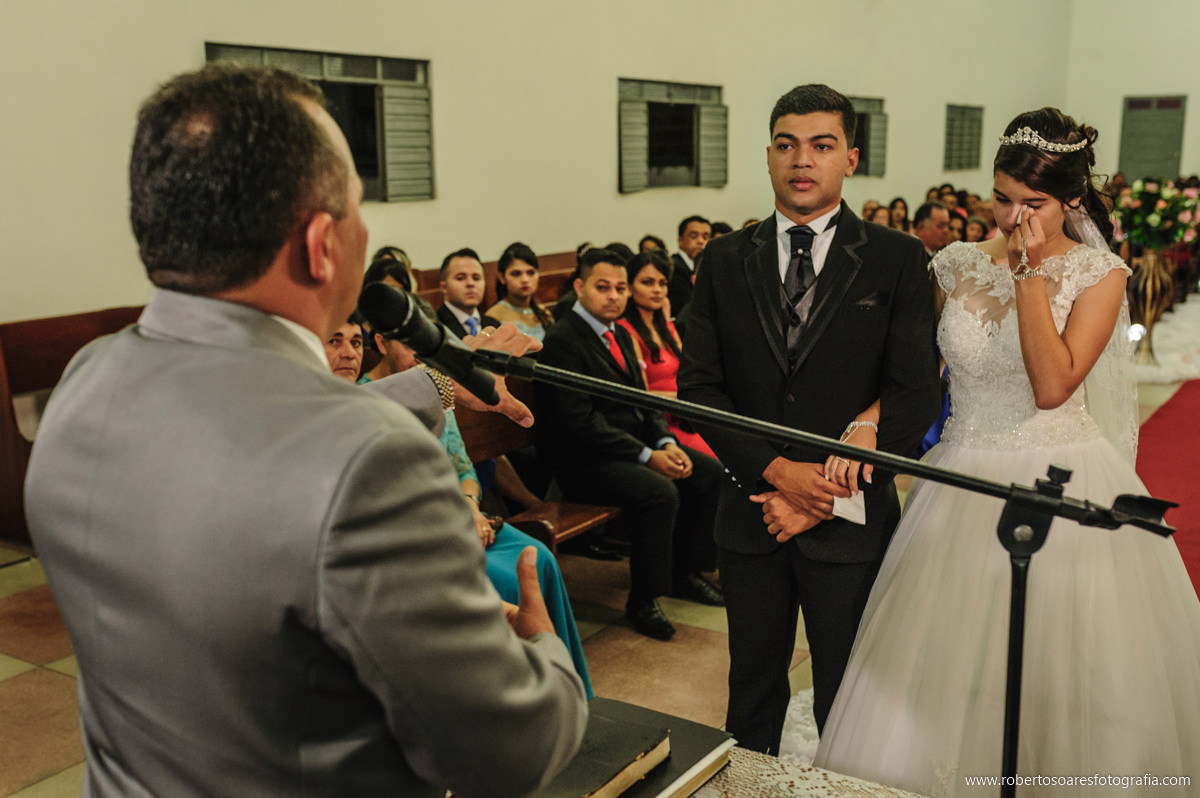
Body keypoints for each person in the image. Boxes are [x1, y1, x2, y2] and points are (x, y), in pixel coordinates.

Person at [23, 64, 586, 797]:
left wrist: (444, 380)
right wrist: (544, 651)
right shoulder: (368, 461)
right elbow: (513, 750)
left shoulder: (83, 384)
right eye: (359, 208)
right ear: (322, 243)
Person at [815, 108, 1200, 796]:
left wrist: (1027, 275)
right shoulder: (956, 262)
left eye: (1034, 203)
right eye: (1001, 198)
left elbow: (1053, 385)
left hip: (1057, 475)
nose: (1012, 216)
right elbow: (920, 372)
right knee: (950, 654)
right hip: (961, 473)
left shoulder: (1098, 273)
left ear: (1072, 201)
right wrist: (871, 420)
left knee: (1059, 658)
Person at [677, 83, 941, 752]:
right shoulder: (725, 260)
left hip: (850, 522)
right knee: (752, 690)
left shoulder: (896, 258)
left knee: (848, 694)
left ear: (850, 158)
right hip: (751, 512)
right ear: (768, 156)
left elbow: (914, 393)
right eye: (787, 144)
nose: (803, 160)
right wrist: (775, 471)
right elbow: (699, 387)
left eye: (822, 146)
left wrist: (822, 494)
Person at [337, 313, 592, 697]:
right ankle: (525, 701)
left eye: (353, 342)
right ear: (383, 343)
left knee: (537, 554)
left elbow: (459, 462)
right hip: (419, 534)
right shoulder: (351, 409)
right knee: (504, 580)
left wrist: (470, 507)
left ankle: (569, 690)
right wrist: (443, 378)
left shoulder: (409, 393)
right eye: (333, 341)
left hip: (457, 514)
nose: (347, 352)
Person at [537, 248, 726, 641]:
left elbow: (643, 400)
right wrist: (647, 456)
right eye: (602, 287)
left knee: (710, 474)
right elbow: (579, 423)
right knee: (659, 492)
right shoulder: (563, 340)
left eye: (620, 288)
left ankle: (685, 571)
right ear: (579, 287)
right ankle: (643, 599)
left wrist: (664, 440)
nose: (613, 296)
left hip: (627, 448)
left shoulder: (619, 332)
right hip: (583, 461)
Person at [616, 250, 716, 459]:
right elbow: (639, 394)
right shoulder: (625, 331)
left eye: (662, 283)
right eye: (647, 282)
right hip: (663, 423)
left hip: (690, 415)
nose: (657, 290)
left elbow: (689, 372)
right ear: (630, 287)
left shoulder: (667, 327)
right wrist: (684, 398)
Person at [485, 242, 555, 341]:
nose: (525, 280)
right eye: (516, 274)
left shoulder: (543, 312)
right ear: (502, 277)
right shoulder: (493, 317)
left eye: (531, 273)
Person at [437, 247, 501, 338]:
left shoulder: (494, 325)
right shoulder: (434, 327)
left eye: (476, 278)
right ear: (444, 287)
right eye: (460, 278)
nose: (470, 283)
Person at [668, 215, 712, 316]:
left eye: (705, 237)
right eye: (694, 236)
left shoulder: (710, 267)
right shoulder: (673, 268)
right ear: (680, 241)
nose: (701, 241)